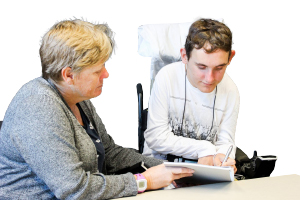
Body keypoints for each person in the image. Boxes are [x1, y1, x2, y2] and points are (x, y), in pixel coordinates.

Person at [0, 19, 194, 200]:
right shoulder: (38, 107)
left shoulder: (76, 98)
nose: (106, 74)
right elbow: (74, 189)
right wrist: (146, 181)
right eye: (97, 70)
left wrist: (173, 169)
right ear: (68, 75)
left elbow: (110, 154)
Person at [143, 18, 239, 171]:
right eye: (201, 67)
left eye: (219, 68)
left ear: (230, 58)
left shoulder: (230, 90)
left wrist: (223, 157)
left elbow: (225, 142)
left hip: (207, 172)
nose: (210, 78)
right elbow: (155, 137)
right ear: (184, 56)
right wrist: (204, 148)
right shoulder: (167, 77)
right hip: (160, 169)